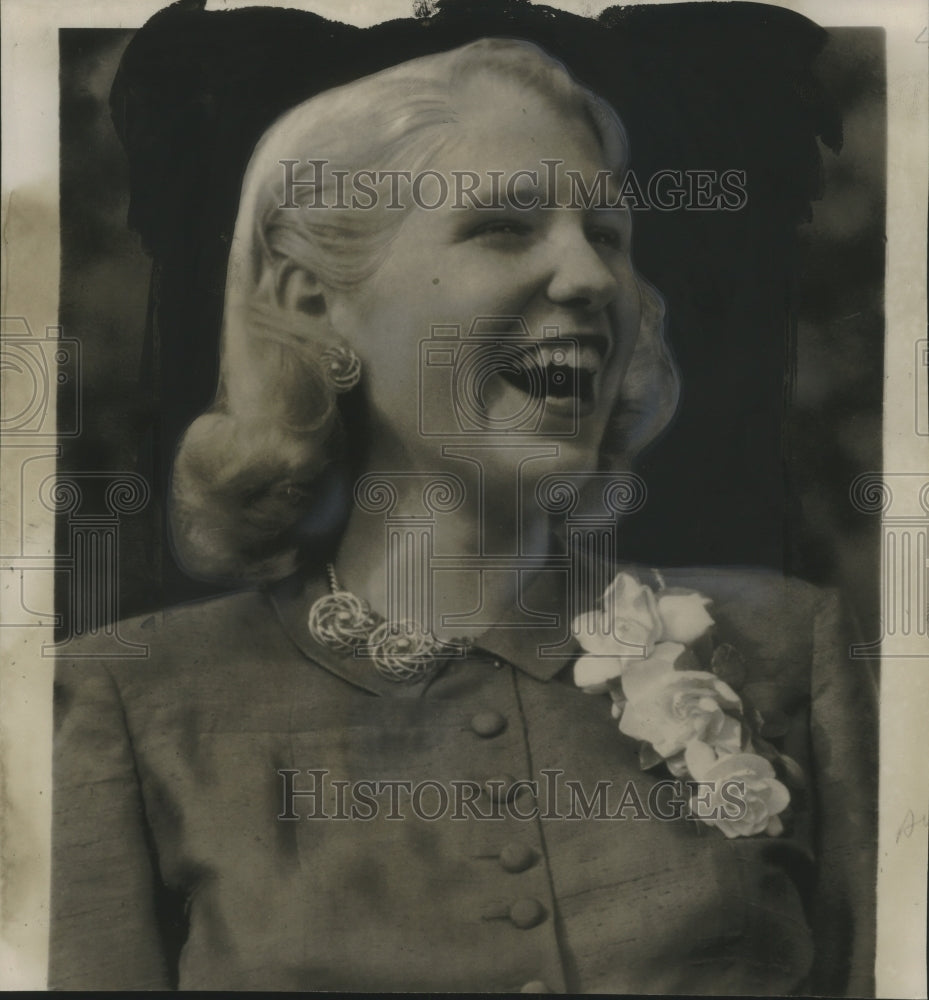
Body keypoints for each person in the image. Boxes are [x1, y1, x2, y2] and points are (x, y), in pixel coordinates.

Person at [49, 38, 876, 994]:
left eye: (604, 233)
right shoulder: (132, 706)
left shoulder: (783, 650)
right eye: (503, 226)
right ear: (314, 300)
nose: (593, 279)